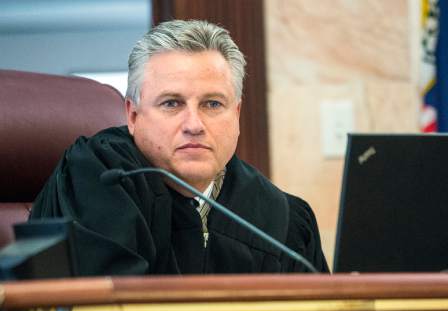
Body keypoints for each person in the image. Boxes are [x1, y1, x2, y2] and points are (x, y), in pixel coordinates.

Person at [30, 20, 329, 275]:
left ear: (236, 115)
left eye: (213, 104)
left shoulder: (282, 218)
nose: (194, 124)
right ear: (133, 116)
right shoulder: (96, 180)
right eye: (172, 103)